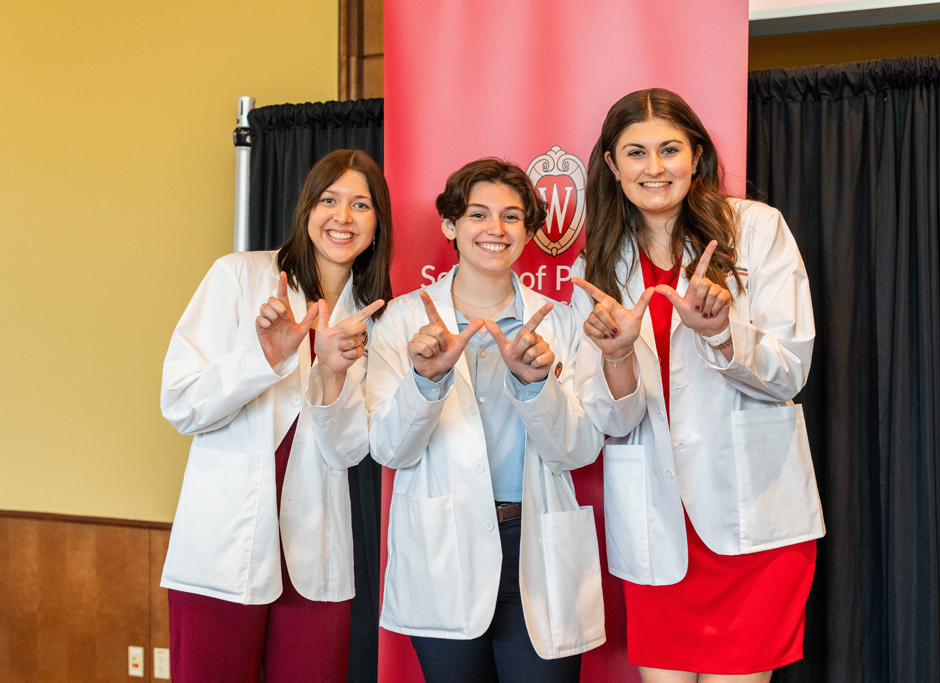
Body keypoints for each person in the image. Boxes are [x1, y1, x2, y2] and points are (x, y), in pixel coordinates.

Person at [571, 88, 824, 683]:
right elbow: (611, 418)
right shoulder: (599, 264)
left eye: (669, 150)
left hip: (752, 518)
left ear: (698, 155)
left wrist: (720, 334)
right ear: (611, 164)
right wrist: (614, 359)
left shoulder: (757, 231)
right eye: (635, 152)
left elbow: (790, 369)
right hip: (659, 522)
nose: (653, 168)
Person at [366, 158, 606, 683]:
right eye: (478, 214)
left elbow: (581, 449)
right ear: (451, 226)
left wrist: (535, 385)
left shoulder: (560, 323)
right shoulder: (403, 321)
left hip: (535, 540)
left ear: (529, 232)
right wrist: (426, 381)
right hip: (445, 545)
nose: (495, 230)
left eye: (512, 217)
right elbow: (389, 449)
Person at [159, 149, 392, 682]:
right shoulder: (240, 278)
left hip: (313, 550)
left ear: (377, 225)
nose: (343, 217)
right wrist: (265, 358)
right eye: (330, 200)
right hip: (226, 540)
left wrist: (331, 373)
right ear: (306, 207)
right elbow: (181, 402)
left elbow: (350, 450)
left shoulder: (376, 317)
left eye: (361, 205)